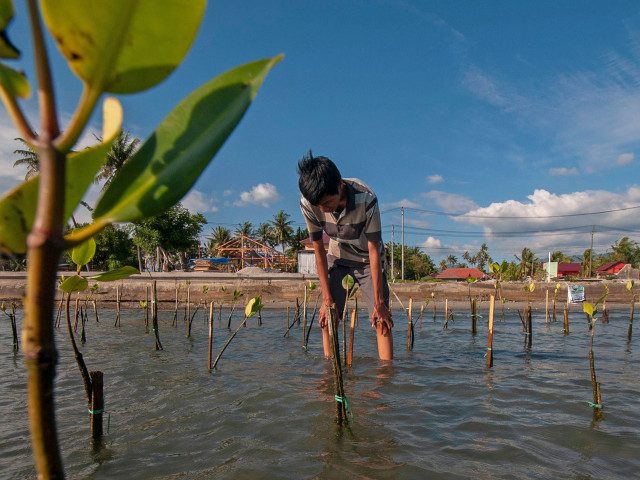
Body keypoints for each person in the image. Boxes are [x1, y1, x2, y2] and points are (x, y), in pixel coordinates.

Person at [297, 151, 393, 360]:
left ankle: (385, 379)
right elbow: (318, 249)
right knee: (328, 317)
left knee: (381, 320)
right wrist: (326, 299)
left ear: (340, 186)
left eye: (327, 203)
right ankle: (331, 372)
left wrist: (379, 303)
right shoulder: (308, 203)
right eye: (318, 205)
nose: (323, 209)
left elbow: (374, 249)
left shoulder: (366, 198)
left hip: (368, 260)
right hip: (337, 257)